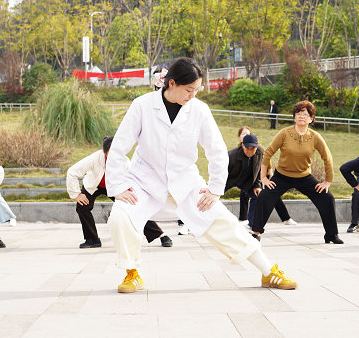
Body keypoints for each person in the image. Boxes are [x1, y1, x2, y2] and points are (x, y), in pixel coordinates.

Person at [106, 58, 297, 293]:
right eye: (189, 90)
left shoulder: (199, 110)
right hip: (145, 180)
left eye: (197, 90)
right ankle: (132, 273)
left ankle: (268, 272)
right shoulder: (142, 106)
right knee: (120, 216)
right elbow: (119, 147)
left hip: (184, 181)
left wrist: (215, 188)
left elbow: (216, 150)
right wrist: (116, 186)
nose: (193, 95)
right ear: (171, 84)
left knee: (222, 221)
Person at [252, 101, 341, 244]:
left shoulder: (315, 137)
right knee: (263, 196)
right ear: (294, 117)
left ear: (311, 119)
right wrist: (263, 178)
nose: (301, 116)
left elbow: (327, 158)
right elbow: (267, 153)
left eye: (305, 114)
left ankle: (331, 235)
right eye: (298, 113)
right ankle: (256, 233)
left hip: (304, 177)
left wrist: (327, 182)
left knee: (327, 198)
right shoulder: (284, 133)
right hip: (282, 176)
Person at [66, 136, 172, 249]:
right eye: (111, 153)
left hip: (115, 187)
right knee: (82, 206)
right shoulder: (95, 158)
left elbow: (133, 178)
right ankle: (92, 239)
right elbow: (72, 172)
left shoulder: (125, 161)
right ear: (104, 152)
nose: (114, 157)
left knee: (133, 205)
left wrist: (130, 191)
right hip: (94, 186)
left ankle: (161, 235)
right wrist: (76, 194)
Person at [227, 133, 295, 231]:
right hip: (228, 179)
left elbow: (259, 169)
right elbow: (220, 172)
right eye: (247, 148)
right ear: (242, 145)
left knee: (257, 195)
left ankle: (252, 225)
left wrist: (257, 185)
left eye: (253, 149)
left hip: (246, 181)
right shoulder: (231, 156)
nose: (250, 151)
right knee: (211, 198)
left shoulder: (260, 151)